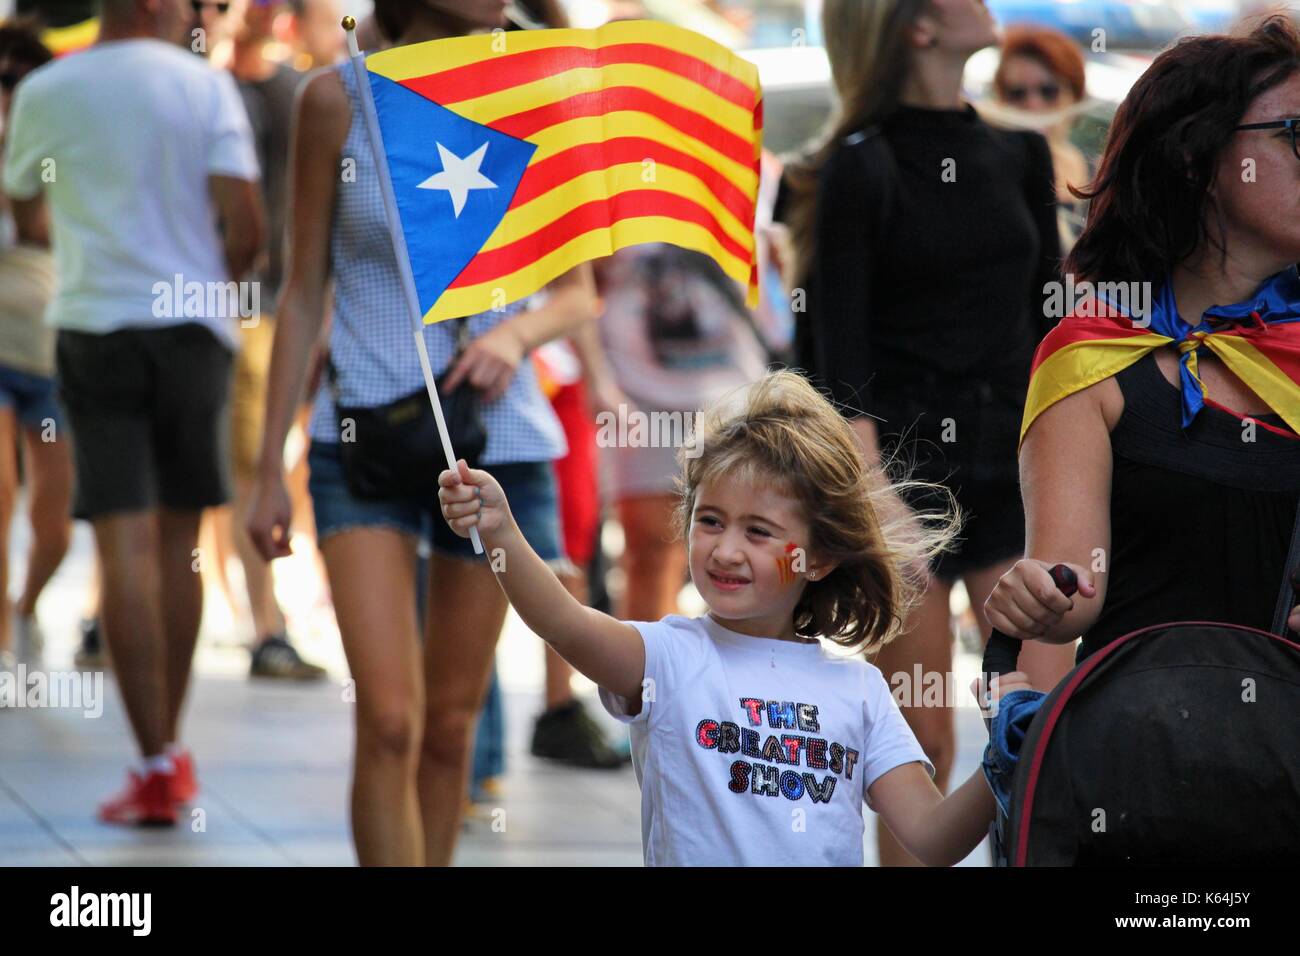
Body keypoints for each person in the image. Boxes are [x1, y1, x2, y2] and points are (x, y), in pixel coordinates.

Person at [246, 0, 596, 866]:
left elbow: (581, 289)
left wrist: (514, 336)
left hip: (498, 445)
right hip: (360, 433)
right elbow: (301, 288)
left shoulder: (532, 91)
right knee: (391, 718)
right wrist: (263, 472)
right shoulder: (339, 97)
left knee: (449, 726)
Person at [438, 370, 1030, 866]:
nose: (725, 549)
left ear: (818, 557)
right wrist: (502, 533)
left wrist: (1006, 755)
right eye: (711, 519)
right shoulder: (666, 657)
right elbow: (563, 622)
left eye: (759, 531)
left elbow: (934, 837)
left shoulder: (860, 690)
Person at [782, 0, 1076, 865]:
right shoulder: (854, 169)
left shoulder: (1019, 154)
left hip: (1015, 470)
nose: (982, 5)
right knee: (919, 752)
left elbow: (1051, 331)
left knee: (1036, 737)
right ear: (914, 26)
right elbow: (835, 360)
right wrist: (879, 509)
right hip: (900, 477)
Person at [1, 0, 263, 824]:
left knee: (120, 539)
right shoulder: (202, 86)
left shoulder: (48, 87)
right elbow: (248, 225)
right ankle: (170, 747)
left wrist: (87, 226)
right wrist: (210, 272)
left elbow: (27, 215)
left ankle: (152, 758)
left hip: (91, 325)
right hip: (192, 330)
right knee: (181, 543)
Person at [984, 18, 1300, 660]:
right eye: (1299, 136)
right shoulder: (1089, 356)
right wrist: (1035, 593)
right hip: (1138, 743)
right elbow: (1073, 592)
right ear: (1198, 162)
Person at [596, 244, 771, 624]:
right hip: (639, 398)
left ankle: (737, 674)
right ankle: (649, 678)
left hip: (735, 397)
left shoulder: (734, 186)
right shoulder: (599, 189)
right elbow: (574, 285)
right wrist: (596, 379)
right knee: (650, 552)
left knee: (749, 549)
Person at [0, 20, 70, 675]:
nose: (10, 92)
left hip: (51, 355)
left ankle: (24, 607)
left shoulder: (61, 151)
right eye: (2, 80)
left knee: (56, 524)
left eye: (22, 81)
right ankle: (0, 643)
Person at [993, 24, 1091, 250]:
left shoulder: (1102, 175)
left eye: (1049, 91)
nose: (1033, 105)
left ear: (1075, 96)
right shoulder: (994, 173)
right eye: (1016, 93)